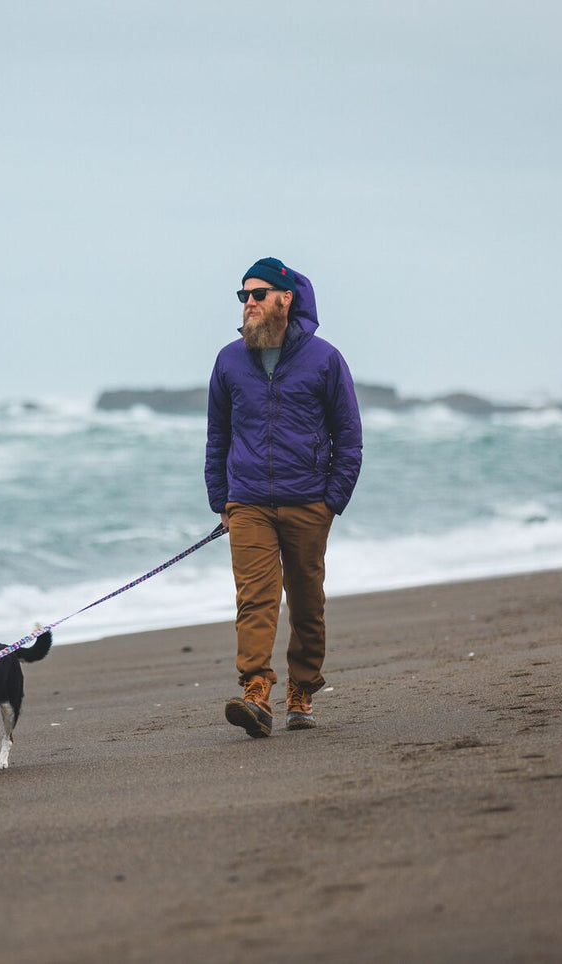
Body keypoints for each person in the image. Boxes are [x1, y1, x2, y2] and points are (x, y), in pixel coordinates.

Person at [205, 257, 362, 738]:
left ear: (284, 298)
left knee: (308, 603)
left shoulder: (325, 359)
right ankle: (256, 691)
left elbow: (348, 437)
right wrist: (222, 501)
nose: (248, 303)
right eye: (243, 296)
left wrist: (331, 499)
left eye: (257, 294)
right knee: (255, 599)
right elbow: (218, 436)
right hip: (248, 502)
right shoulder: (229, 360)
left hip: (308, 502)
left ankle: (302, 689)